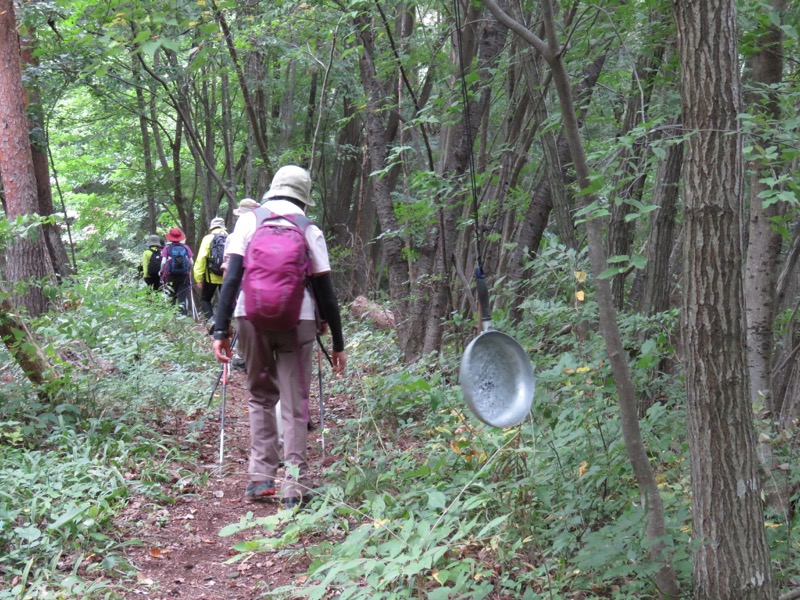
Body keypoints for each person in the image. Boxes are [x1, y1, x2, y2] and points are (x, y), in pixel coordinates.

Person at [212, 166, 346, 508]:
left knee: (260, 396)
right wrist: (338, 343)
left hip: (249, 316)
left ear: (273, 189)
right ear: (303, 195)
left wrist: (220, 328)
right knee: (295, 401)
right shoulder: (308, 228)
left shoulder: (248, 221)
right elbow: (325, 291)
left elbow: (231, 279)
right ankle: (295, 485)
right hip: (297, 321)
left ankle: (260, 478)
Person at [193, 217, 227, 322]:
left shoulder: (208, 238)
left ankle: (211, 321)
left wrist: (198, 277)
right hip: (227, 275)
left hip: (211, 276)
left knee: (205, 299)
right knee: (226, 299)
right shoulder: (231, 237)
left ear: (212, 227)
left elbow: (201, 259)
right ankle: (225, 322)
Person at [160, 227, 194, 316]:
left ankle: (172, 317)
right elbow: (191, 262)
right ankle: (183, 316)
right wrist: (188, 270)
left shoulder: (167, 248)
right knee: (182, 297)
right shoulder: (185, 247)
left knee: (171, 297)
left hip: (170, 276)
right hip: (183, 276)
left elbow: (163, 262)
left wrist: (161, 271)